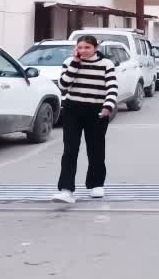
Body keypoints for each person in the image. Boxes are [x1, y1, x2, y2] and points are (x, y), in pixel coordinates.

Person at [52, 35, 117, 204]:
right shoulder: (69, 62)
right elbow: (63, 85)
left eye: (87, 48)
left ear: (95, 48)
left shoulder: (106, 64)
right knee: (70, 150)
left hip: (97, 111)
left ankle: (96, 184)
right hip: (73, 109)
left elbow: (111, 88)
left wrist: (107, 106)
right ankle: (66, 190)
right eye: (80, 48)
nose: (83, 51)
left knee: (96, 148)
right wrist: (75, 63)